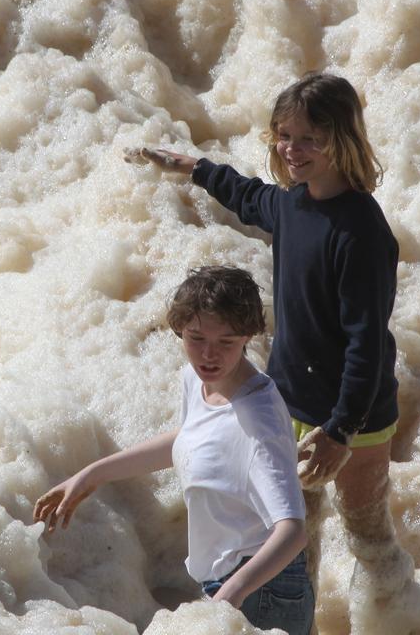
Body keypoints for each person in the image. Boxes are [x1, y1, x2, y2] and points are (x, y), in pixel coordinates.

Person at [135, 72, 420, 634]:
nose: (292, 150)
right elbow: (250, 197)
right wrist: (196, 168)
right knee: (297, 532)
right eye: (284, 136)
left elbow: (366, 341)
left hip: (356, 417)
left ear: (342, 138)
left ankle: (396, 624)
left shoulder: (362, 231)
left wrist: (341, 430)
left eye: (309, 138)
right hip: (290, 404)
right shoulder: (292, 205)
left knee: (367, 530)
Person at [35, 266, 314, 635]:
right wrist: (93, 474)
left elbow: (292, 530)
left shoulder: (256, 419)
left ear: (248, 335)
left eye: (226, 342)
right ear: (179, 329)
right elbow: (192, 440)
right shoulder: (198, 380)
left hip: (262, 590)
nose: (209, 355)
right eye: (196, 338)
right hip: (231, 582)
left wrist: (233, 593)